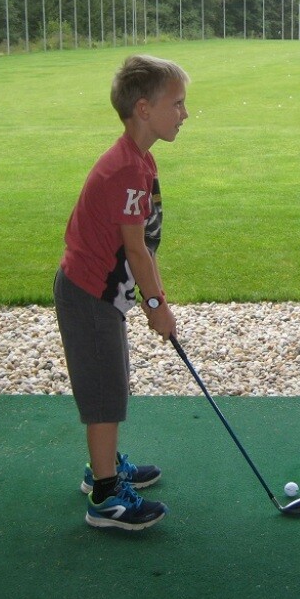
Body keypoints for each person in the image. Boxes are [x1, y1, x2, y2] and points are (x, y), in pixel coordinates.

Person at [53, 54, 190, 531]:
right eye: (177, 104)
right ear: (144, 108)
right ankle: (107, 497)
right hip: (88, 295)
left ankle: (104, 467)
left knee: (110, 383)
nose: (185, 114)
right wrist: (157, 306)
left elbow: (139, 246)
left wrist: (150, 299)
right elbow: (136, 250)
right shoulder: (128, 169)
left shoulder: (139, 158)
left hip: (99, 295)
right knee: (105, 394)